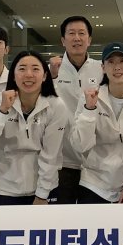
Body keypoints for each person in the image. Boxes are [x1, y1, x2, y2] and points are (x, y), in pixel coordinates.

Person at [0, 50, 69, 205]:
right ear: (13, 76)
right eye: (22, 69)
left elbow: (51, 155)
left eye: (35, 69)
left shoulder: (56, 105)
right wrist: (2, 111)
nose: (28, 74)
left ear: (44, 76)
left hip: (44, 188)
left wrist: (42, 195)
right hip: (4, 188)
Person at [68, 42, 123, 203]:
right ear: (103, 67)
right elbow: (80, 145)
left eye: (122, 61)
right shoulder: (89, 96)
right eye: (111, 62)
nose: (117, 67)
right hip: (93, 182)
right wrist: (89, 109)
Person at [49, 16, 103, 204]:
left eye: (82, 33)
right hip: (62, 160)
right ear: (63, 40)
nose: (77, 38)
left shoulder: (101, 69)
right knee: (62, 216)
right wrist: (53, 77)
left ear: (89, 40)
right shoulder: (51, 70)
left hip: (95, 161)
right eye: (71, 33)